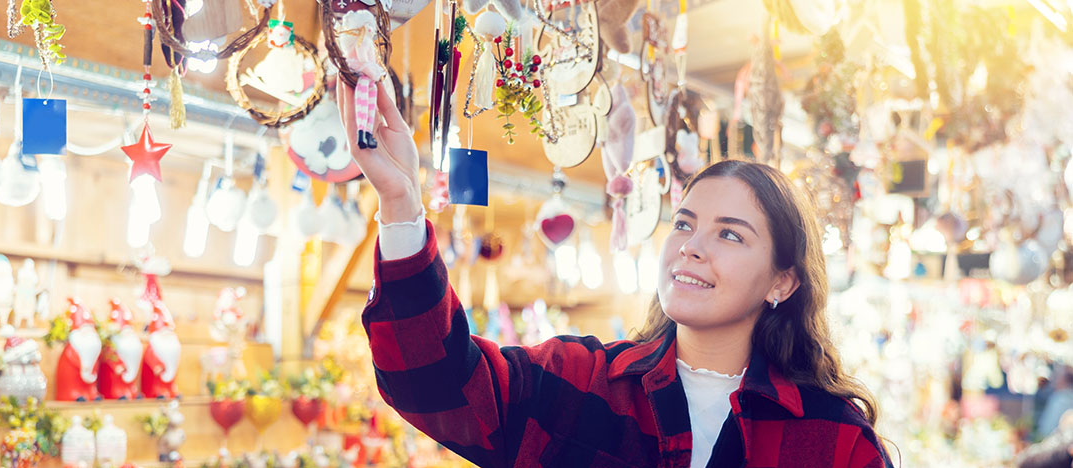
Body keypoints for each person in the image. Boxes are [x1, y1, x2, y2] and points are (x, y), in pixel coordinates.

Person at [336, 80, 894, 467]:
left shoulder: (834, 437)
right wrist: (402, 207)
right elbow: (433, 383)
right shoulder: (580, 382)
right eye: (684, 224)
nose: (692, 248)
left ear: (783, 281)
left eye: (730, 234)